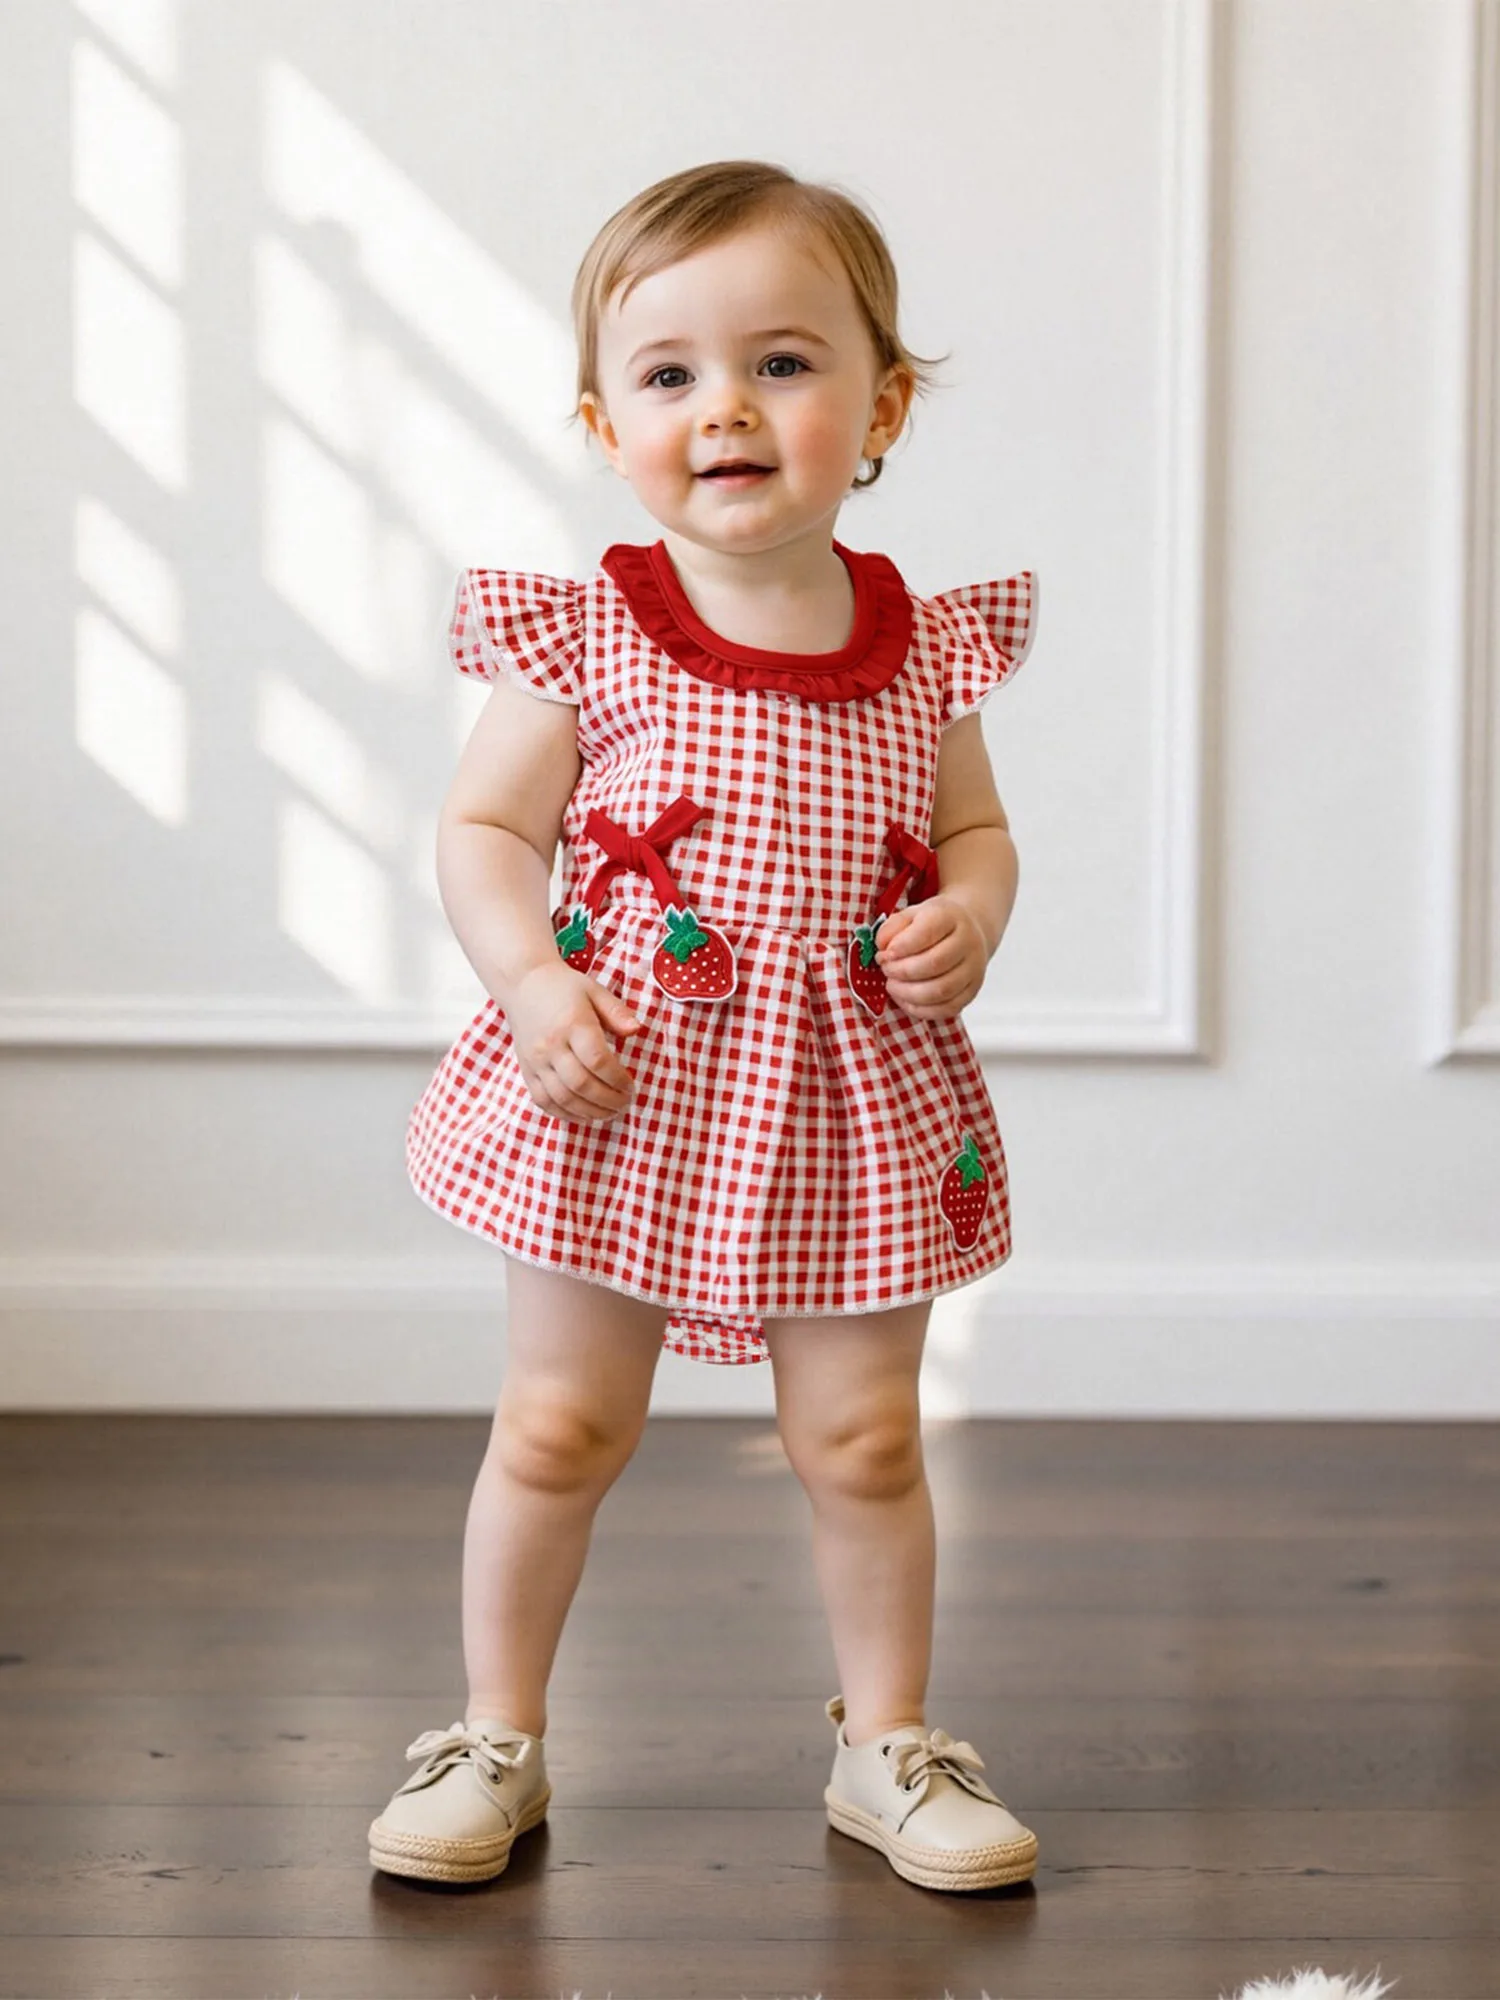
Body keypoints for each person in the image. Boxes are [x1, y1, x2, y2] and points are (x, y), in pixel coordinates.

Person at [369, 158, 1041, 1895]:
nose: (725, 406)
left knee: (865, 1440)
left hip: (845, 1099)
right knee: (558, 1424)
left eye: (782, 363)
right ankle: (495, 1736)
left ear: (880, 408)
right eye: (669, 373)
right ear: (609, 425)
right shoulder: (592, 633)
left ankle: (889, 1742)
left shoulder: (920, 648)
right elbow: (484, 830)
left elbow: (972, 828)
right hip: (620, 1084)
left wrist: (972, 913)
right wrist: (533, 982)